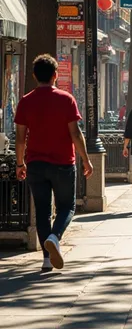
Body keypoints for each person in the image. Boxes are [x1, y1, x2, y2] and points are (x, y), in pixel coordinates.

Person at [14, 54, 93, 272]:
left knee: (41, 210)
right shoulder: (66, 99)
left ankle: (47, 259)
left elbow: (20, 138)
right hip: (63, 163)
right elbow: (75, 134)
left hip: (35, 163)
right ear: (55, 75)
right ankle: (55, 237)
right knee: (67, 207)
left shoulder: (25, 101)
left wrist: (20, 163)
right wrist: (86, 159)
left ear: (34, 76)